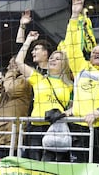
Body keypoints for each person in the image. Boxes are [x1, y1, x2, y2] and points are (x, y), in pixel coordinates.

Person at [60, 0, 99, 163]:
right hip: (78, 127)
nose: (97, 52)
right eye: (94, 51)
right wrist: (74, 16)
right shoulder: (81, 67)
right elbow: (72, 45)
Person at [15, 31, 73, 162]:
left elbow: (76, 106)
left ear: (64, 64)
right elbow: (19, 61)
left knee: (53, 166)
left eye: (57, 59)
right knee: (33, 164)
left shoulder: (70, 85)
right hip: (36, 127)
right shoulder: (38, 78)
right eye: (52, 57)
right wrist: (28, 40)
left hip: (56, 129)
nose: (52, 59)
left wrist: (66, 113)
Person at [0, 55, 32, 158]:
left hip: (12, 135)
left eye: (12, 64)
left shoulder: (25, 80)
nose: (9, 67)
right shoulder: (9, 80)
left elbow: (11, 90)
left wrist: (10, 73)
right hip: (0, 134)